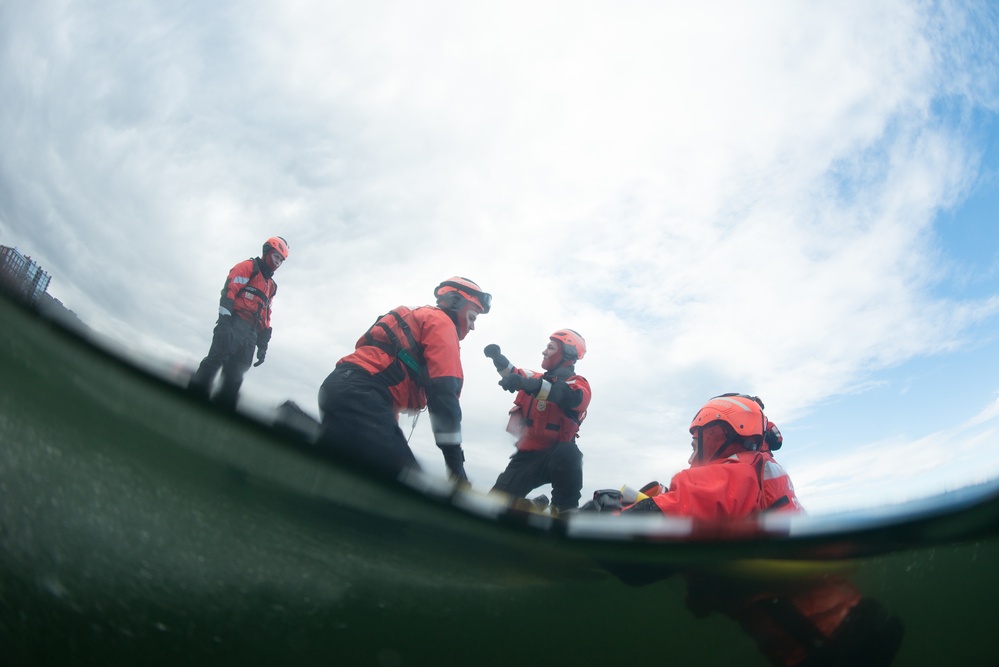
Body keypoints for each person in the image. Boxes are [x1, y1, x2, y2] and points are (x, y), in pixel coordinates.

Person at [620, 393, 904, 667]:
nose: (692, 457)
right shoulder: (762, 469)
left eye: (696, 443)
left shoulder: (736, 472)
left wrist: (611, 510)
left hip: (828, 643)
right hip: (850, 622)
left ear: (719, 434)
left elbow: (646, 528)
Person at [317, 277, 491, 482]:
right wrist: (456, 469)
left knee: (346, 472)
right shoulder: (441, 323)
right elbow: (444, 394)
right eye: (472, 317)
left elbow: (382, 375)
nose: (472, 327)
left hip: (343, 389)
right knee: (407, 479)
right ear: (456, 303)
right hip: (361, 396)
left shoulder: (417, 316)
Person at [484, 329, 592, 513]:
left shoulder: (578, 384)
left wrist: (524, 383)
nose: (544, 351)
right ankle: (526, 509)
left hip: (556, 455)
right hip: (526, 458)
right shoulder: (534, 378)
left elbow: (567, 395)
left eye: (550, 347)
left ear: (568, 352)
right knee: (491, 507)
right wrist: (497, 357)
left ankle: (564, 512)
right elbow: (514, 373)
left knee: (570, 453)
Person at [189, 236, 289, 410]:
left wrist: (262, 344)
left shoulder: (271, 286)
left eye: (281, 259)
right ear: (267, 251)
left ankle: (223, 413)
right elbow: (229, 292)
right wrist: (224, 323)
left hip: (250, 336)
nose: (278, 262)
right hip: (233, 324)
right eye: (276, 256)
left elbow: (266, 313)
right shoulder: (248, 267)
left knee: (235, 377)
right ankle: (191, 400)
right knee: (213, 362)